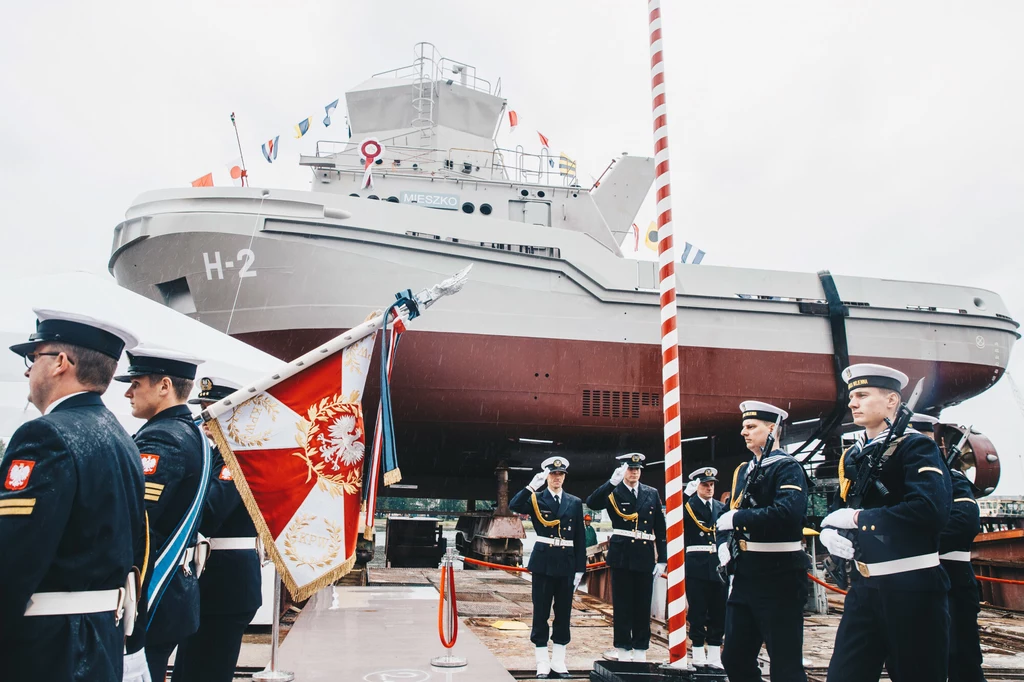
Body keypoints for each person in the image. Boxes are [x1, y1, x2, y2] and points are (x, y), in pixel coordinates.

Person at [1, 309, 146, 681]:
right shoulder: (120, 437)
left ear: (60, 363)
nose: (27, 370)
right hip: (100, 638)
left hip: (47, 647)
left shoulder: (45, 436)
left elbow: (13, 558)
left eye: (33, 358)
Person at [821, 365, 952, 682]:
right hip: (864, 589)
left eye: (862, 395)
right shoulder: (854, 455)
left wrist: (859, 520)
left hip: (912, 589)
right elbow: (846, 505)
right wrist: (830, 531)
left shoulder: (916, 447)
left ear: (892, 400)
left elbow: (930, 510)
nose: (853, 403)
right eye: (852, 396)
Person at [117, 347, 206, 682]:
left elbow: (137, 520)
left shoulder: (162, 439)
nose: (128, 392)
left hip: (153, 592)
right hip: (172, 593)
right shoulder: (191, 432)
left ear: (164, 385)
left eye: (136, 383)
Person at [171, 377, 264, 682]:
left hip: (226, 586)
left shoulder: (236, 457)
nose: (206, 416)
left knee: (207, 671)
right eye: (205, 408)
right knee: (189, 670)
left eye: (215, 409)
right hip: (211, 583)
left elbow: (210, 512)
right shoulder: (214, 455)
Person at [716, 401, 809, 682]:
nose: (744, 432)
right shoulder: (745, 470)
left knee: (785, 662)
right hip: (747, 572)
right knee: (734, 657)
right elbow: (730, 512)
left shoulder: (787, 467)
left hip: (780, 571)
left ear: (772, 429)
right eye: (743, 426)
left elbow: (788, 513)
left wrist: (739, 519)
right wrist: (723, 542)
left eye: (751, 426)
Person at [910, 414, 985, 682]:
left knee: (960, 657)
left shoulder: (953, 479)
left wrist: (913, 541)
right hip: (915, 581)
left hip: (952, 577)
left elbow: (965, 523)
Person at [585, 453, 668, 663]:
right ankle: (623, 649)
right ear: (624, 470)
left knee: (642, 605)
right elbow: (592, 502)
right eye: (631, 469)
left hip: (644, 554)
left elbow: (660, 528)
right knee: (622, 606)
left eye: (638, 469)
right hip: (622, 555)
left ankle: (640, 650)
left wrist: (662, 559)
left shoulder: (651, 493)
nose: (635, 473)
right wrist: (611, 482)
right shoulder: (614, 492)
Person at [509, 456, 587, 679]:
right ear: (547, 476)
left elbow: (580, 538)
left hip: (567, 563)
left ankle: (559, 661)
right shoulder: (536, 499)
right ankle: (542, 661)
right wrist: (531, 486)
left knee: (563, 613)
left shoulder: (574, 502)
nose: (557, 478)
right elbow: (514, 505)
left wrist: (580, 568)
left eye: (561, 475)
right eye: (553, 475)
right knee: (541, 612)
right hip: (543, 563)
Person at [682, 467, 728, 669]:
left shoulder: (720, 507)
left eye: (711, 485)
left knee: (719, 611)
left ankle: (715, 654)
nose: (709, 488)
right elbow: (673, 517)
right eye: (705, 485)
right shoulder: (688, 506)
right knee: (698, 612)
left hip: (718, 565)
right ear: (697, 486)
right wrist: (685, 496)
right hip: (697, 565)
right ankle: (699, 652)